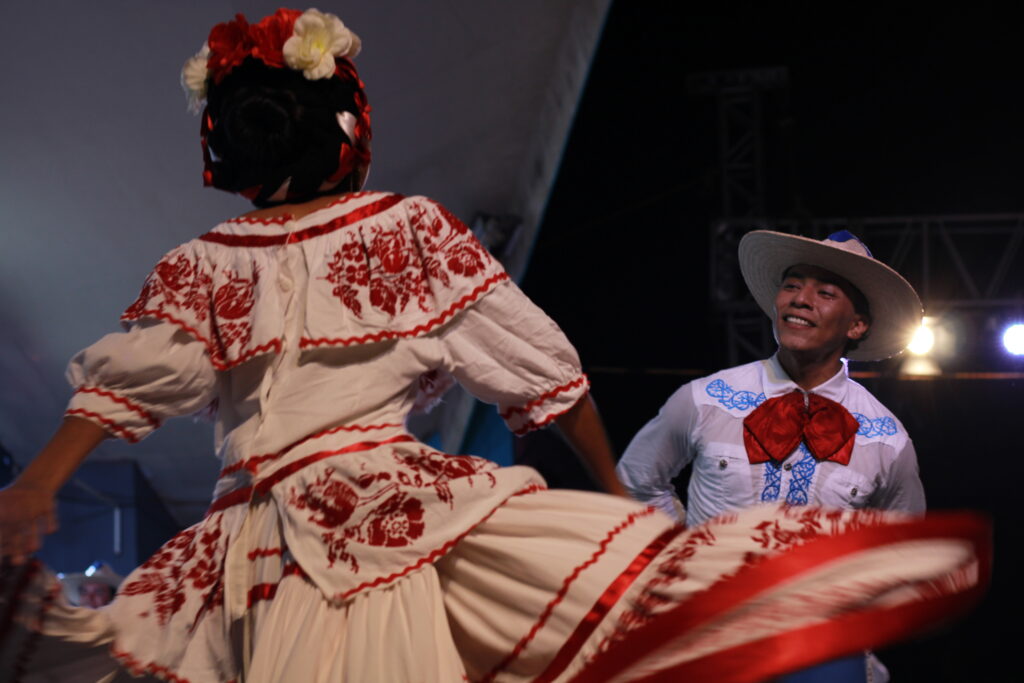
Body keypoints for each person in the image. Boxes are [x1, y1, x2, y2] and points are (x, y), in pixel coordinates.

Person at [0, 10, 988, 683]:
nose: (807, 297)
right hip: (366, 525)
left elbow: (133, 382)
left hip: (272, 536)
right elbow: (546, 374)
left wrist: (38, 483)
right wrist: (617, 513)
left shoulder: (207, 259)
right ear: (346, 132)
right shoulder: (399, 231)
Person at [616, 229, 928, 681]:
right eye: (792, 285)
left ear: (856, 325)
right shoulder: (706, 400)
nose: (801, 299)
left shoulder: (885, 440)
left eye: (824, 292)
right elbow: (635, 480)